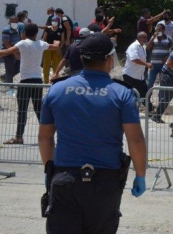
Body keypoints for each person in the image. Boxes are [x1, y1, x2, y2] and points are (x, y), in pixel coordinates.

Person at [38, 32, 147, 233]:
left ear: (81, 58)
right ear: (110, 59)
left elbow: (45, 137)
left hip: (65, 178)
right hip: (105, 182)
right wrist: (140, 175)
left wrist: (48, 169)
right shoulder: (121, 93)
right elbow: (136, 139)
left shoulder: (57, 90)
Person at [0, 24, 60, 145]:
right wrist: (57, 41)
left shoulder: (23, 43)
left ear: (24, 33)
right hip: (38, 81)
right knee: (39, 109)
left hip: (25, 82)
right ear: (36, 33)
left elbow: (6, 52)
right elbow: (55, 46)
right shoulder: (41, 44)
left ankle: (19, 137)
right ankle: (48, 137)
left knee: (22, 110)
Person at [122, 32, 153, 111]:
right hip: (130, 75)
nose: (145, 39)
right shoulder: (134, 46)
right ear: (139, 38)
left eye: (146, 38)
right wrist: (147, 64)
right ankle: (126, 111)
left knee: (146, 94)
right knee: (129, 95)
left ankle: (150, 111)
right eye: (144, 37)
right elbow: (134, 59)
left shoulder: (142, 47)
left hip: (139, 76)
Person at [146, 23, 173, 89]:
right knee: (150, 82)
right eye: (157, 29)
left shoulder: (168, 39)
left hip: (163, 65)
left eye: (159, 30)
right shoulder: (153, 38)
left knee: (163, 83)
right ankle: (147, 98)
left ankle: (162, 98)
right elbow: (147, 47)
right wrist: (153, 37)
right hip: (153, 64)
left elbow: (172, 51)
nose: (158, 31)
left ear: (163, 30)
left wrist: (167, 57)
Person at [42, 17, 65, 84]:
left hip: (57, 49)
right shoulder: (48, 29)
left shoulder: (61, 30)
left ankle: (55, 80)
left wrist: (60, 48)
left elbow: (62, 40)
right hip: (48, 48)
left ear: (58, 22)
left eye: (55, 21)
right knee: (46, 65)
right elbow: (44, 39)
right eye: (53, 21)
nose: (54, 22)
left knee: (56, 65)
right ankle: (46, 81)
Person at [0, 16, 22, 86]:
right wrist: (14, 52)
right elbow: (6, 43)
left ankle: (5, 77)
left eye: (16, 22)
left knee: (18, 68)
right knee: (10, 69)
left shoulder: (18, 29)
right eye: (13, 21)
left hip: (17, 51)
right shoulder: (6, 30)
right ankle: (9, 86)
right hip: (9, 52)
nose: (15, 23)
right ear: (10, 21)